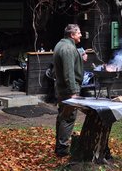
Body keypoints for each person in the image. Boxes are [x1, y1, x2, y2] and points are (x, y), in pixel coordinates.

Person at [53, 24, 85, 157]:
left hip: (62, 88)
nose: (81, 35)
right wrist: (73, 92)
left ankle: (59, 146)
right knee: (68, 118)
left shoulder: (62, 45)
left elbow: (69, 64)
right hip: (68, 90)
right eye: (79, 33)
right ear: (72, 35)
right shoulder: (67, 48)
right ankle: (62, 149)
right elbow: (68, 73)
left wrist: (80, 58)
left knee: (62, 117)